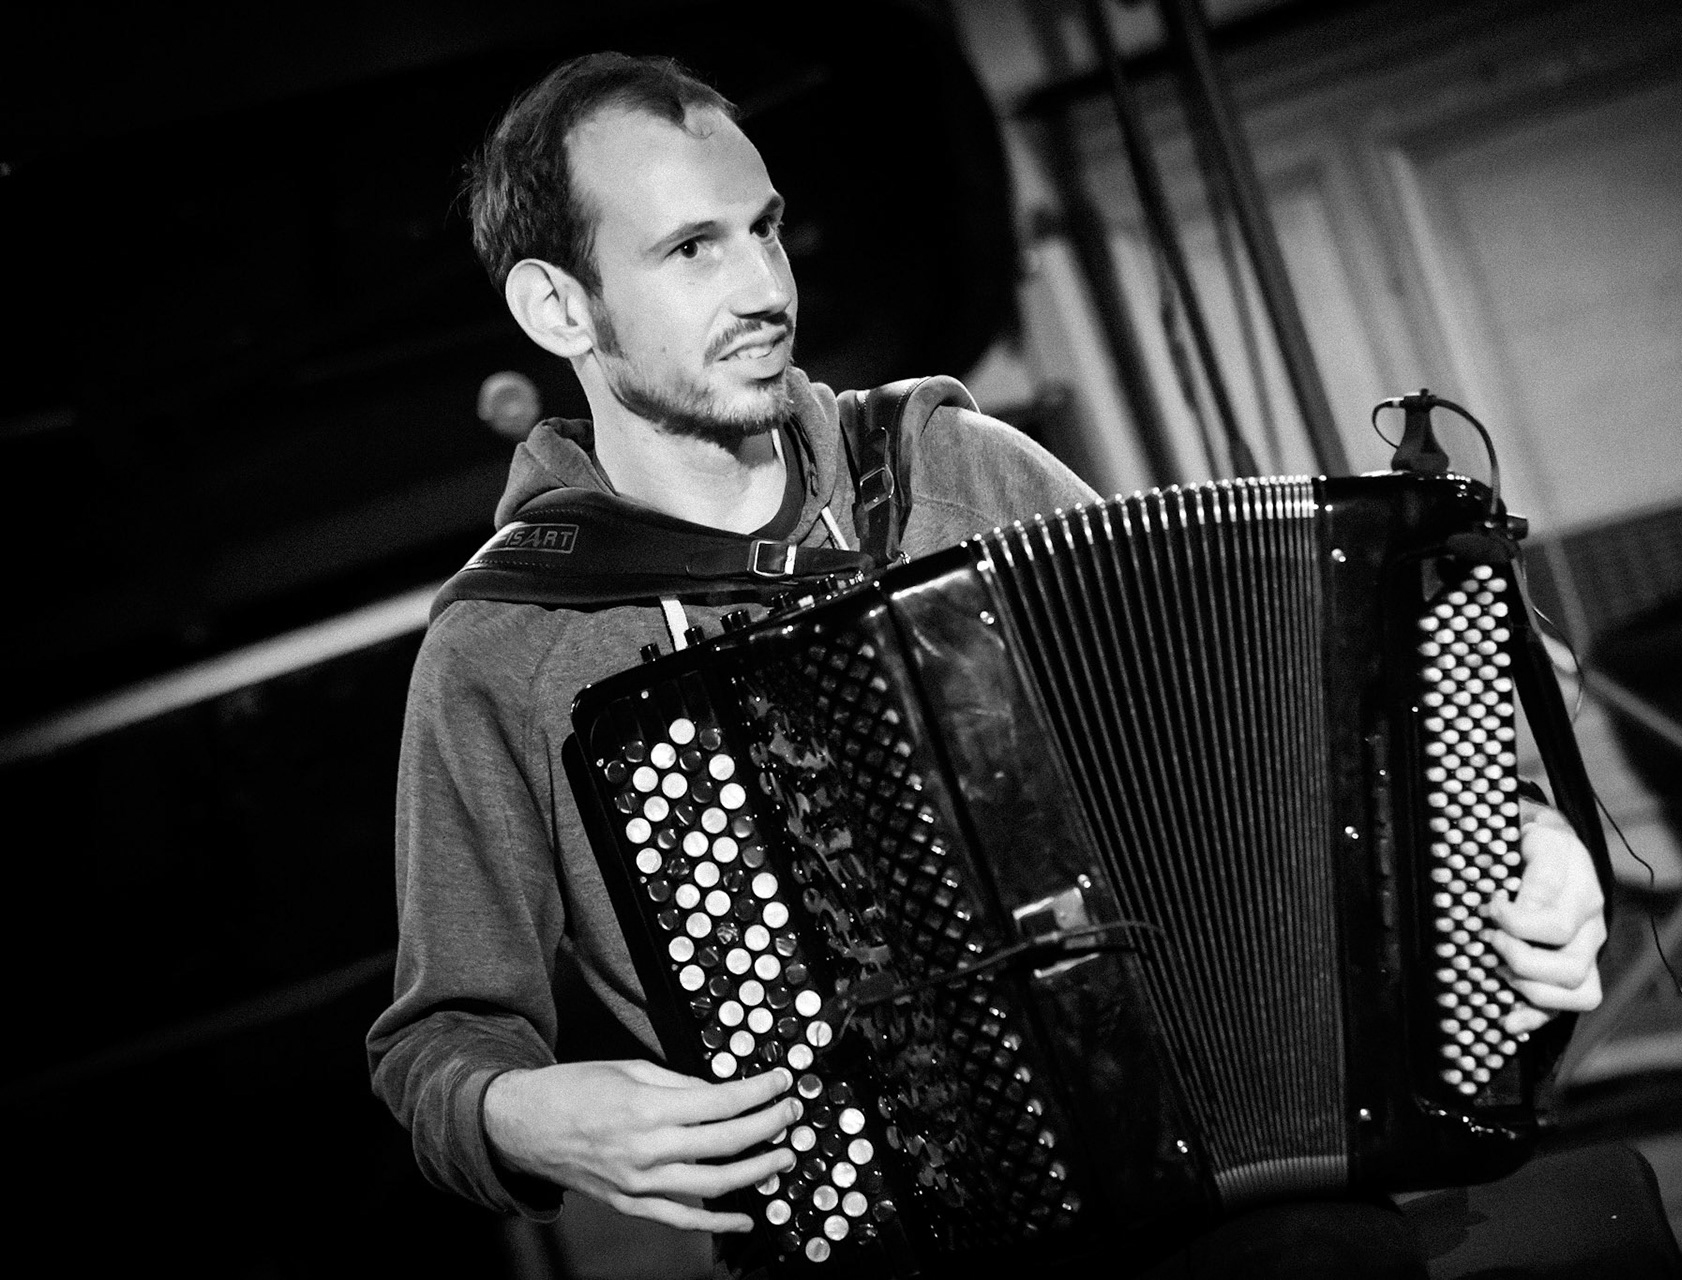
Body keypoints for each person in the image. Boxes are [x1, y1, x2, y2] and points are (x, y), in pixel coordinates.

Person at [366, 51, 1608, 1279]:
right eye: (691, 248)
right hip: (886, 1242)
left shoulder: (951, 467)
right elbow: (438, 1041)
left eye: (766, 228)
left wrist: (1518, 837)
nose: (761, 285)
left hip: (1198, 1167)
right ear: (557, 308)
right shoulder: (507, 644)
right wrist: (519, 1115)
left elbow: (1272, 731)